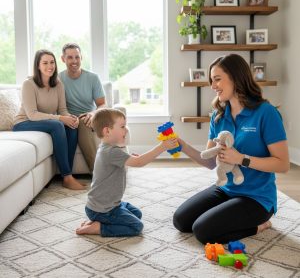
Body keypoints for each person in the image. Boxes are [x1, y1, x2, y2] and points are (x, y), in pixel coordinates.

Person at [173, 54, 289, 244]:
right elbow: (211, 162)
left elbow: (283, 164)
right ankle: (229, 212)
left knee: (203, 231)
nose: (213, 86)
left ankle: (260, 225)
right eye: (211, 80)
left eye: (217, 79)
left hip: (257, 198)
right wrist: (183, 145)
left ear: (236, 77)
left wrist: (241, 159)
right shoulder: (219, 116)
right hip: (226, 189)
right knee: (181, 221)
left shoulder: (266, 113)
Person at [75, 108, 177, 237]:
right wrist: (162, 147)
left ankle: (98, 221)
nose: (126, 129)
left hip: (107, 204)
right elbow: (139, 162)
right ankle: (98, 227)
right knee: (136, 226)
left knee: (137, 214)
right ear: (107, 131)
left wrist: (130, 156)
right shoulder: (111, 152)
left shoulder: (109, 147)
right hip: (103, 210)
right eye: (122, 126)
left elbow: (126, 161)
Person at [13, 49, 85, 190]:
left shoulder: (58, 84)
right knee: (58, 125)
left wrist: (71, 118)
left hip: (46, 122)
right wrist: (60, 118)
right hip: (23, 123)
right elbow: (32, 114)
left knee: (71, 126)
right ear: (38, 65)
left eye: (52, 62)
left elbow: (63, 110)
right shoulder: (29, 84)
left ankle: (67, 175)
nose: (49, 66)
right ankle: (67, 176)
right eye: (45, 63)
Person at [59, 43, 105, 173]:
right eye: (70, 57)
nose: (74, 61)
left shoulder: (92, 78)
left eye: (77, 57)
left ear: (81, 58)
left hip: (87, 116)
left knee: (85, 122)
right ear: (63, 59)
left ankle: (98, 173)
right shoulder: (57, 79)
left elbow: (102, 104)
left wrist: (93, 113)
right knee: (76, 124)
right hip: (68, 118)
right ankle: (95, 174)